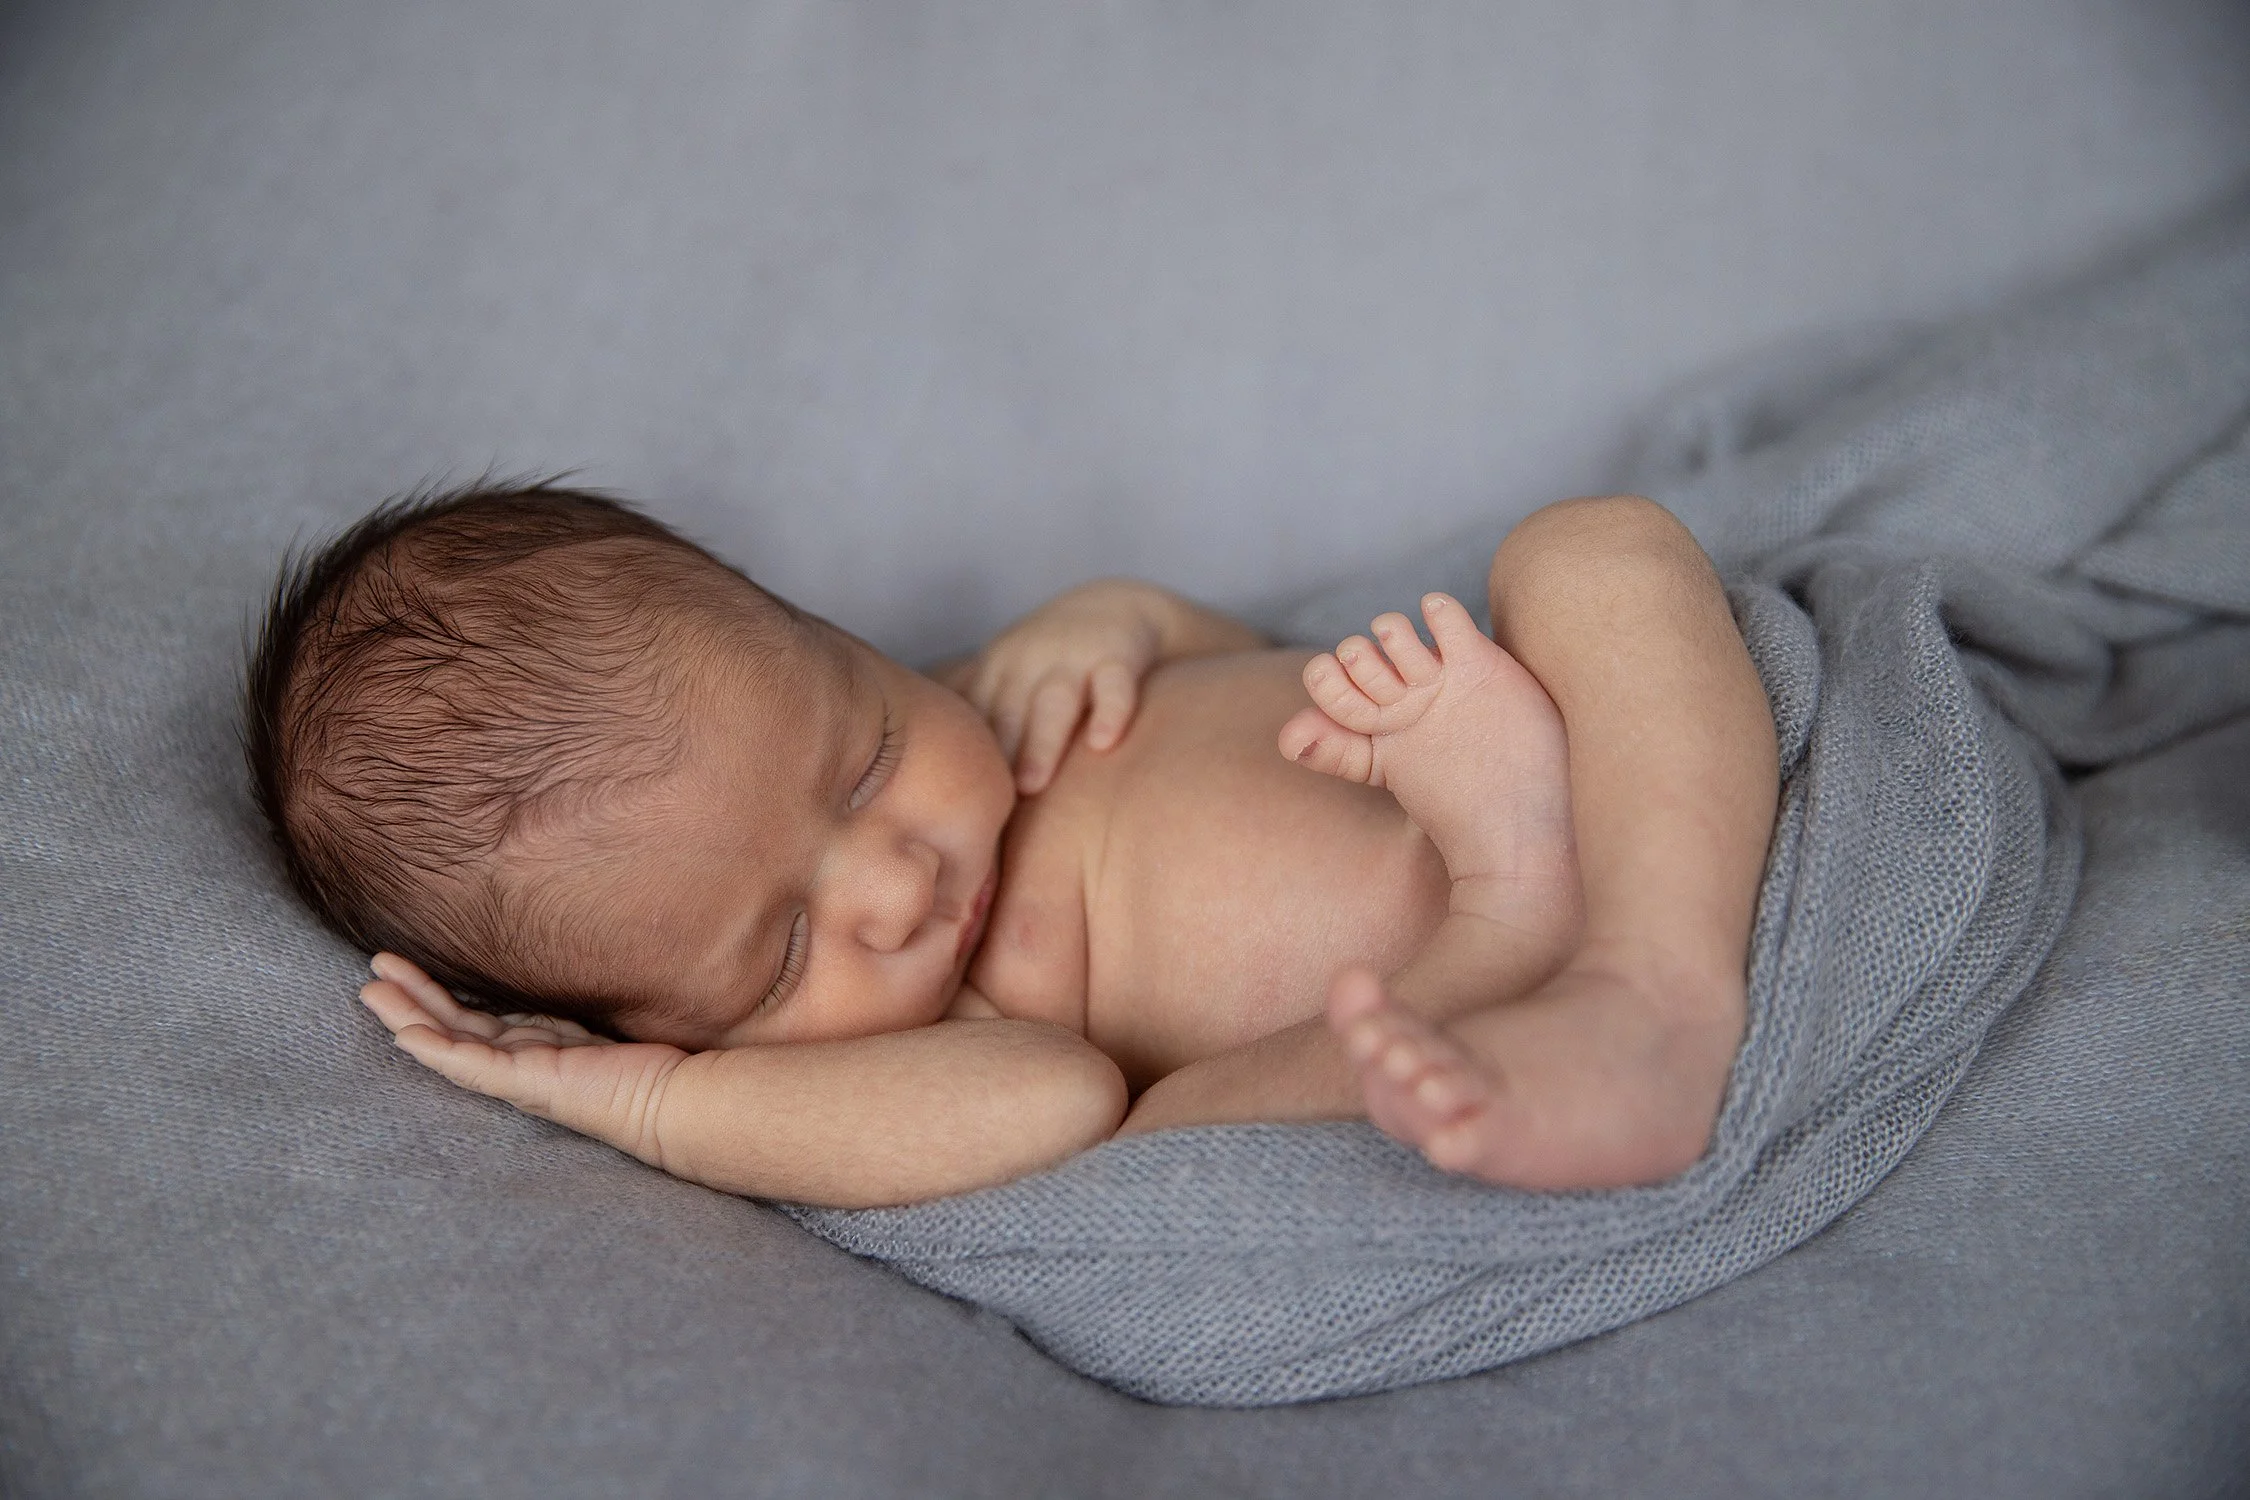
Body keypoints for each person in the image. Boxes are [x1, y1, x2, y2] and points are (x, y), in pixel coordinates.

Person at [246, 481, 1777, 1208]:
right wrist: (656, 1105)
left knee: (1594, 544)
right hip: (1443, 990)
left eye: (863, 763)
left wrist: (1120, 618)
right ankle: (1526, 928)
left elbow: (1234, 649)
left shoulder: (994, 691)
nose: (894, 882)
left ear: (837, 639)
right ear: (669, 1028)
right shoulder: (914, 1049)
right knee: (1172, 1133)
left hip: (1588, 773)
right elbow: (1050, 1107)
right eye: (780, 952)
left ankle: (1651, 972)